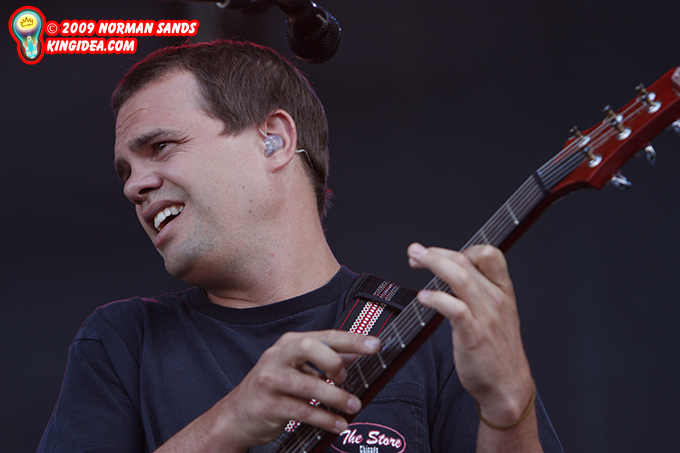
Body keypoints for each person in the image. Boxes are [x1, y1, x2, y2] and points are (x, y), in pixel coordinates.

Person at [38, 40, 562, 452]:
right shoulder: (122, 342)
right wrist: (229, 422)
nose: (134, 186)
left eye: (161, 146)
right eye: (126, 171)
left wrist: (509, 403)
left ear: (275, 140)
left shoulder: (433, 335)